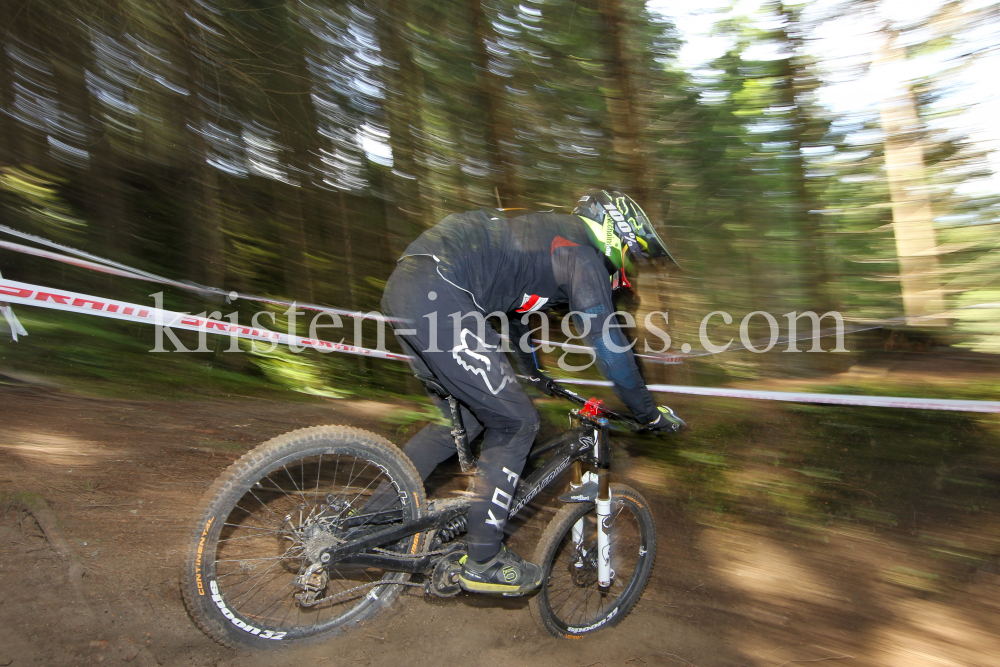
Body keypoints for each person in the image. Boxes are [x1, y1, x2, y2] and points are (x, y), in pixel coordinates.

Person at [380, 189, 684, 595]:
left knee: (459, 423)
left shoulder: (546, 237)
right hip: (441, 291)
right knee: (517, 423)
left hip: (411, 288)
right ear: (616, 233)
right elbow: (609, 345)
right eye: (632, 257)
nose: (629, 271)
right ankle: (484, 560)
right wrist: (648, 413)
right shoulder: (582, 252)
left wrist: (537, 375)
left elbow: (514, 314)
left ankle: (372, 520)